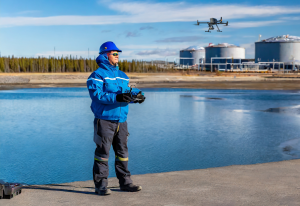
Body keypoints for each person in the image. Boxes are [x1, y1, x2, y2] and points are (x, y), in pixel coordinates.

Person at [86, 41, 146, 196]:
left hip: (121, 121)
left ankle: (125, 183)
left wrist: (137, 96)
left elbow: (127, 93)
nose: (117, 56)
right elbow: (97, 96)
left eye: (118, 53)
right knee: (102, 153)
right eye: (114, 53)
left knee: (122, 153)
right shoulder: (97, 75)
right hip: (104, 120)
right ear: (105, 55)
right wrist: (119, 96)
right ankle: (101, 186)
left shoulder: (122, 76)